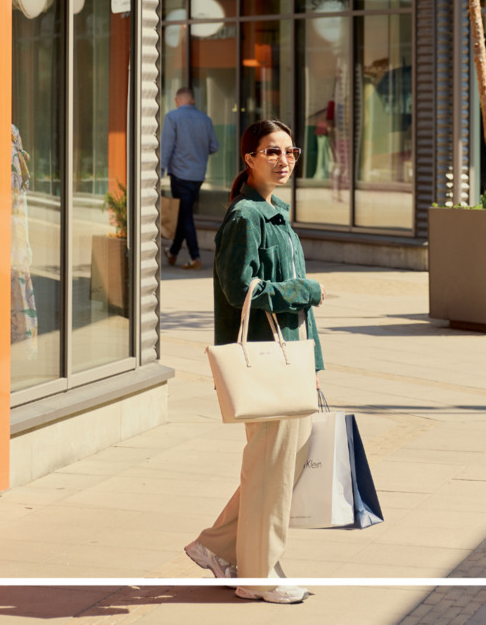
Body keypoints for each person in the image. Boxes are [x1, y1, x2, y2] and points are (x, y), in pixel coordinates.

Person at [184, 119, 323, 604]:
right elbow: (237, 288)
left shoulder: (273, 212)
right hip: (265, 363)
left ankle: (216, 546)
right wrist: (303, 290)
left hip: (289, 361)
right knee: (270, 473)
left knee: (275, 468)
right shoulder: (246, 217)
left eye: (291, 152)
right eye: (272, 152)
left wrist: (316, 364)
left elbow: (298, 313)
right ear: (248, 159)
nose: (284, 161)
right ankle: (257, 575)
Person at [160, 87, 218, 269]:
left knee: (185, 216)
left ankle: (195, 257)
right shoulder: (205, 119)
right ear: (192, 100)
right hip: (198, 175)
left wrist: (160, 171)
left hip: (180, 174)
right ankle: (173, 252)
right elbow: (214, 146)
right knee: (184, 213)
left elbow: (167, 147)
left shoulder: (172, 117)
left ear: (178, 100)